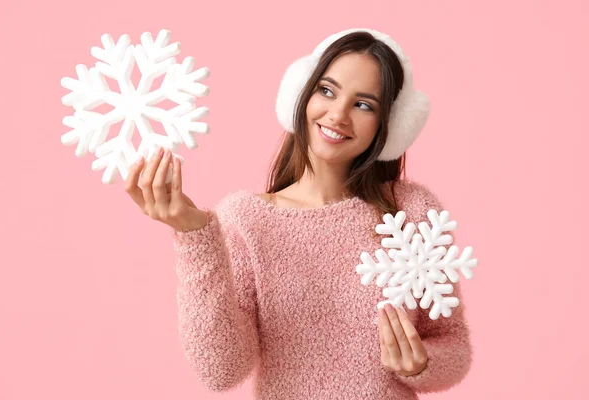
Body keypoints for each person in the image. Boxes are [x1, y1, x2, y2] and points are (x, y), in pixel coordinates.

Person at [124, 29, 472, 399]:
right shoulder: (246, 219)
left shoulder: (412, 213)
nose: (337, 114)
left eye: (364, 104)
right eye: (327, 90)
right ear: (301, 94)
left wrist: (420, 364)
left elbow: (453, 345)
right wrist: (195, 237)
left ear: (389, 123)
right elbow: (220, 370)